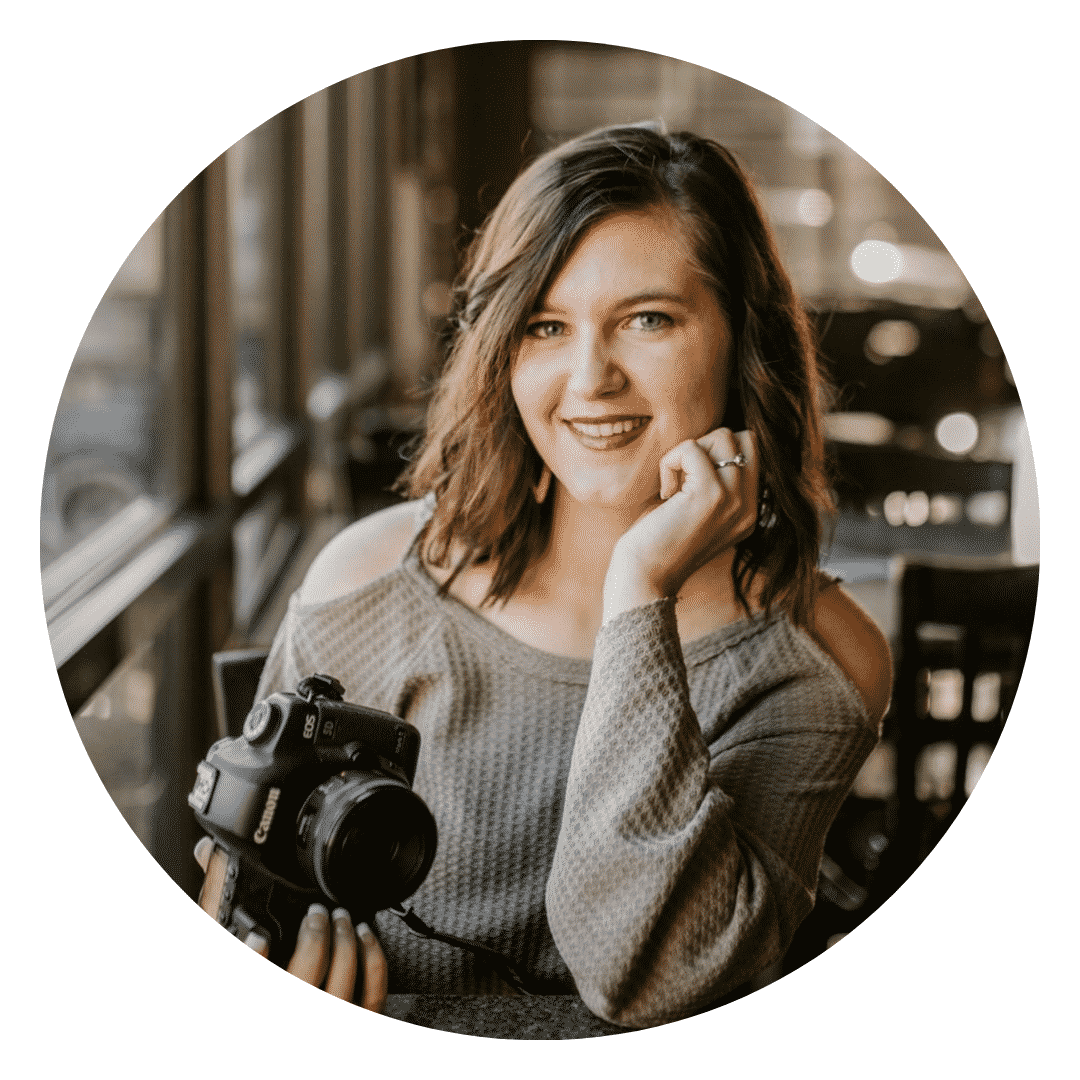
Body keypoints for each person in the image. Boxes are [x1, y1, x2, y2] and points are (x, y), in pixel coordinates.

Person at [203, 123, 891, 1029]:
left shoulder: (816, 665)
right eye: (546, 326)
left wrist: (640, 588)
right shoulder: (368, 583)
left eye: (648, 319)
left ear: (741, 334)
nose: (590, 377)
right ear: (504, 351)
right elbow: (229, 891)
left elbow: (644, 981)